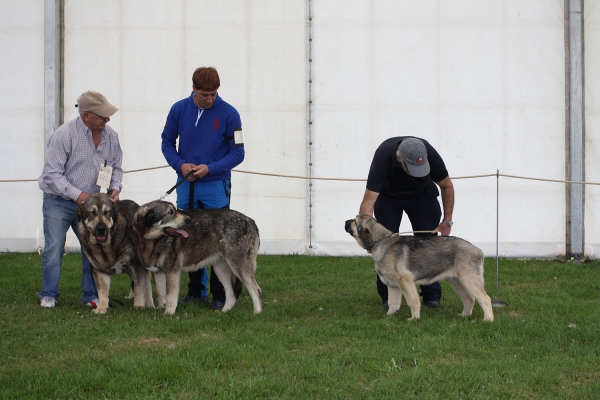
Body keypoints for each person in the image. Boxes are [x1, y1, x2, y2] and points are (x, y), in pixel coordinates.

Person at [161, 67, 244, 311]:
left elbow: (238, 153)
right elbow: (166, 142)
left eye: (214, 94)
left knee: (219, 239)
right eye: (205, 94)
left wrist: (211, 168)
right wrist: (180, 164)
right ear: (194, 89)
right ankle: (196, 291)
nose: (210, 99)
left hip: (216, 185)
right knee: (187, 237)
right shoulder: (178, 109)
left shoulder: (230, 113)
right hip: (186, 185)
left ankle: (221, 295)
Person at [38, 91, 123, 309]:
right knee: (55, 247)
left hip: (91, 207)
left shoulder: (111, 136)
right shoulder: (64, 135)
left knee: (93, 247)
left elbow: (116, 167)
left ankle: (90, 296)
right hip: (58, 201)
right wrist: (79, 196)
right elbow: (51, 174)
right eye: (103, 116)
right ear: (86, 116)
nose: (108, 119)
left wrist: (115, 188)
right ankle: (48, 294)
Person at [359, 137, 454, 310]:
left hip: (423, 196)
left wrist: (447, 220)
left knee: (428, 242)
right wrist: (367, 237)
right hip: (389, 198)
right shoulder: (383, 156)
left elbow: (447, 186)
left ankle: (432, 297)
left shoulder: (429, 152)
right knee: (384, 245)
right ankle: (389, 299)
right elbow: (368, 202)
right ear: (399, 159)